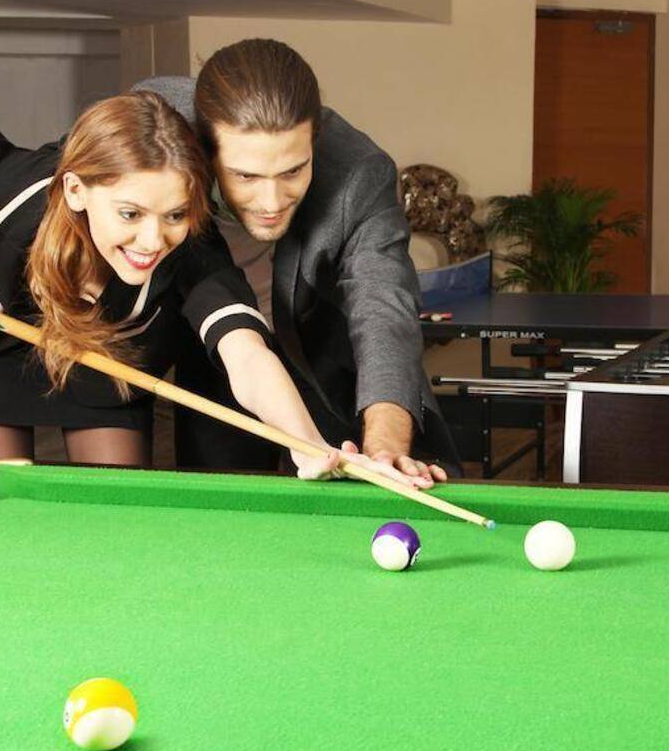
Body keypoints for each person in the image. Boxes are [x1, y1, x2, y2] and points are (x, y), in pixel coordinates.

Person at [0, 84, 412, 484]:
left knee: (117, 515)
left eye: (174, 213)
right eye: (130, 213)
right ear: (76, 191)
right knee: (3, 504)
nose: (154, 241)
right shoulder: (21, 194)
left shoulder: (193, 248)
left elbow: (246, 355)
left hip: (110, 360)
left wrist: (309, 447)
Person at [133, 41, 459, 483]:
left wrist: (385, 444)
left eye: (292, 171)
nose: (271, 203)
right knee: (226, 496)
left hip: (316, 346)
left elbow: (383, 305)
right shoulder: (157, 127)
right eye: (246, 176)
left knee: (351, 484)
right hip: (217, 348)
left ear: (314, 142)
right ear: (204, 150)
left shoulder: (358, 171)